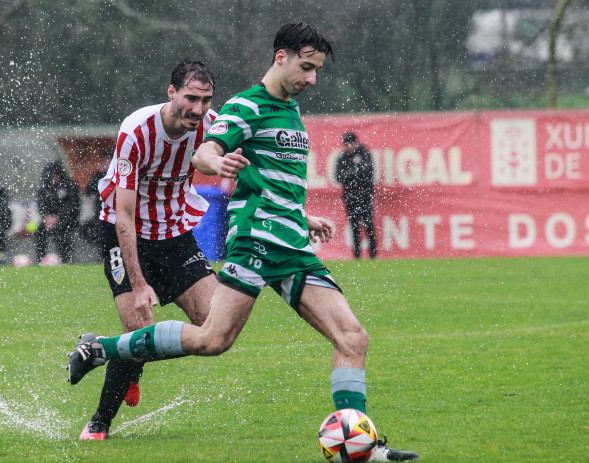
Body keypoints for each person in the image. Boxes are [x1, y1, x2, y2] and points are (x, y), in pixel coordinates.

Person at [67, 23, 418, 461]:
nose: (313, 79)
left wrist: (302, 217)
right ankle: (103, 367)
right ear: (281, 58)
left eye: (317, 70)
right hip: (229, 241)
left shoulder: (288, 112)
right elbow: (205, 153)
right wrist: (215, 162)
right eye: (307, 68)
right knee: (194, 335)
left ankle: (361, 447)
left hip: (276, 243)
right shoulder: (239, 107)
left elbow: (266, 178)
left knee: (350, 337)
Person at [68, 60, 220, 441]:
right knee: (140, 331)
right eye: (190, 98)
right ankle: (99, 424)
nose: (198, 109)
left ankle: (101, 348)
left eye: (205, 100)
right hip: (125, 233)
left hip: (174, 234)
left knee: (216, 327)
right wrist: (138, 285)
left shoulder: (210, 127)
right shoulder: (136, 131)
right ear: (171, 94)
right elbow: (124, 215)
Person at [335, 132, 376, 259]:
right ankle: (357, 256)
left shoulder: (364, 153)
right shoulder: (342, 157)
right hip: (350, 197)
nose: (349, 146)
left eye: (351, 143)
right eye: (347, 144)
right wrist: (356, 174)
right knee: (354, 227)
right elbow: (337, 176)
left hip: (365, 196)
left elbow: (367, 170)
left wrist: (350, 174)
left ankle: (373, 256)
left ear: (356, 143)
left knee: (369, 226)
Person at [34, 161, 81, 264]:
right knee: (40, 230)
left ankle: (65, 259)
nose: (54, 179)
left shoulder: (70, 186)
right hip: (49, 221)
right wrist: (47, 217)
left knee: (62, 232)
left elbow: (73, 207)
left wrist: (58, 218)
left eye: (56, 176)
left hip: (68, 220)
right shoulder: (44, 188)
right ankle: (41, 259)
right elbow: (41, 205)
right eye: (51, 176)